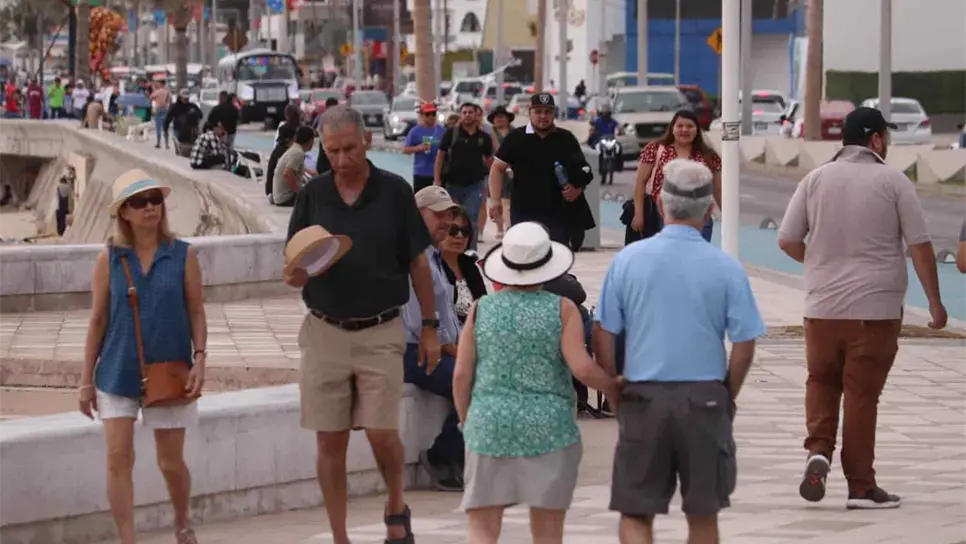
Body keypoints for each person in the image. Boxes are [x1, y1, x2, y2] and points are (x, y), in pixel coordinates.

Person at [777, 106, 947, 510]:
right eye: (885, 136)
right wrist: (935, 304)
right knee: (860, 395)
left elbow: (786, 239)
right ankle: (860, 486)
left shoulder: (814, 179)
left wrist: (819, 263)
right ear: (875, 140)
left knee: (820, 380)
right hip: (875, 312)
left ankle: (818, 451)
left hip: (821, 308)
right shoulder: (893, 181)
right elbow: (920, 246)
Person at [284, 105, 439, 544]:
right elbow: (294, 261)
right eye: (332, 151)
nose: (342, 158)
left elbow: (418, 264)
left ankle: (395, 504)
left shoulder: (394, 192)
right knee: (329, 442)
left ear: (367, 140)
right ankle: (339, 536)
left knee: (381, 433)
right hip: (324, 332)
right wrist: (296, 273)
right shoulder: (313, 196)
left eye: (349, 148)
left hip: (381, 331)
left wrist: (429, 326)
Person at [593, 158, 766, 544]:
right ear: (708, 209)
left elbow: (603, 330)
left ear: (660, 203)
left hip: (643, 394)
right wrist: (727, 393)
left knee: (636, 511)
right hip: (704, 397)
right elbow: (744, 342)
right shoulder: (726, 267)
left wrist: (612, 385)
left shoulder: (628, 262)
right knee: (702, 515)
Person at [454, 221, 620, 544]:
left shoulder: (480, 309)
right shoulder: (563, 309)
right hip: (549, 428)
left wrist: (466, 419)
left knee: (483, 526)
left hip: (490, 424)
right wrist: (614, 386)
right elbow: (582, 368)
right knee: (546, 531)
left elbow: (461, 374)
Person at [77, 170, 206, 544]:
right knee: (118, 458)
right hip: (117, 371)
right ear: (123, 213)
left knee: (170, 462)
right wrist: (86, 380)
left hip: (169, 368)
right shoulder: (110, 258)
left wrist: (200, 358)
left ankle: (183, 522)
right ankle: (127, 539)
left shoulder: (183, 254)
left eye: (155, 199)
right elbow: (97, 319)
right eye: (139, 201)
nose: (150, 207)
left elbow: (196, 311)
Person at [401, 186, 465, 492]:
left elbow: (447, 319)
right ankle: (442, 456)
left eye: (450, 214)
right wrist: (462, 351)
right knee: (478, 381)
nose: (447, 221)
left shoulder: (434, 257)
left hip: (441, 349)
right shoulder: (414, 260)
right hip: (414, 352)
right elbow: (419, 326)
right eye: (438, 214)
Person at [487, 93, 595, 250]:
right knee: (526, 260)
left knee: (556, 260)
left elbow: (583, 170)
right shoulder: (516, 138)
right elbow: (497, 168)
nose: (543, 116)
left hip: (559, 214)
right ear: (529, 112)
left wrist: (577, 188)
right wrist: (495, 201)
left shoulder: (566, 139)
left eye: (548, 112)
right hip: (524, 212)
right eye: (538, 112)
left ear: (553, 113)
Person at [629, 109, 721, 244]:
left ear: (697, 130)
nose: (684, 130)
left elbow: (717, 189)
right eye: (680, 126)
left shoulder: (709, 156)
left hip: (700, 217)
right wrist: (639, 214)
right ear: (672, 128)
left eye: (690, 126)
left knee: (696, 256)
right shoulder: (655, 149)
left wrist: (728, 216)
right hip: (663, 215)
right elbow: (640, 182)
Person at [433, 102, 493, 251]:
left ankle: (470, 252)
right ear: (460, 115)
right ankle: (448, 250)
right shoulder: (451, 134)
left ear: (476, 115)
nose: (467, 115)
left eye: (470, 112)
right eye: (464, 112)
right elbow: (440, 158)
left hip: (474, 184)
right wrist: (437, 179)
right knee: (451, 219)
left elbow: (490, 161)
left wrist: (492, 184)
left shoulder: (484, 137)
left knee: (471, 219)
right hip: (452, 183)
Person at [439, 207, 487, 324]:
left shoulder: (470, 265)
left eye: (465, 231)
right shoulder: (431, 266)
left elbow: (483, 306)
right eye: (453, 230)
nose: (460, 236)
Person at [403, 102, 446, 193]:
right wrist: (419, 148)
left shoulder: (442, 131)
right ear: (422, 115)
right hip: (421, 172)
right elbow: (405, 149)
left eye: (433, 114)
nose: (431, 117)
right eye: (427, 114)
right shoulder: (415, 131)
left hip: (439, 173)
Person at [486, 106, 515, 239]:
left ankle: (510, 225)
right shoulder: (489, 133)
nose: (500, 119)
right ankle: (499, 227)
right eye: (497, 117)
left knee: (509, 200)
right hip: (495, 170)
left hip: (513, 170)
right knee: (496, 199)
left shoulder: (515, 132)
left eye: (503, 116)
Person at [272, 125, 317, 207]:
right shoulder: (298, 153)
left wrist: (312, 173)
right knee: (318, 197)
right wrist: (298, 191)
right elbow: (287, 173)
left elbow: (295, 168)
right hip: (286, 198)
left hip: (279, 196)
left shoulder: (294, 149)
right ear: (310, 140)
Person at [166, 90, 204, 156]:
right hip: (178, 129)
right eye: (184, 99)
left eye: (187, 99)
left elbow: (200, 115)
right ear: (180, 98)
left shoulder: (192, 106)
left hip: (191, 129)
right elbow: (168, 117)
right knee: (179, 148)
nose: (186, 100)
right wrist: (165, 127)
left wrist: (195, 115)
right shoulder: (174, 106)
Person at [266, 123, 296, 200]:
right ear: (288, 139)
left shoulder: (278, 150)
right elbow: (288, 174)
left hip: (272, 192)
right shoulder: (284, 153)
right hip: (276, 194)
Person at [314, 97, 340, 174]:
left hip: (329, 159)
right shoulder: (323, 118)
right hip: (326, 159)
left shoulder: (322, 117)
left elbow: (315, 132)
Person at [149, 81, 171, 149]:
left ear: (161, 84)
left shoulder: (157, 91)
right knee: (165, 127)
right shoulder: (167, 91)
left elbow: (150, 98)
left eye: (158, 83)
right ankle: (167, 144)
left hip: (158, 109)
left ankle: (158, 143)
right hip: (165, 109)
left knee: (158, 126)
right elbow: (170, 100)